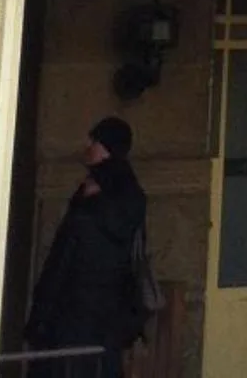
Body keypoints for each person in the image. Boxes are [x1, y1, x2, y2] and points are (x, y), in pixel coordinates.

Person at [25, 116, 147, 378]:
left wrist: (42, 312)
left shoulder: (93, 197)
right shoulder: (129, 193)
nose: (87, 147)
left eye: (94, 141)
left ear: (105, 148)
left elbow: (66, 259)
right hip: (107, 316)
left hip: (74, 313)